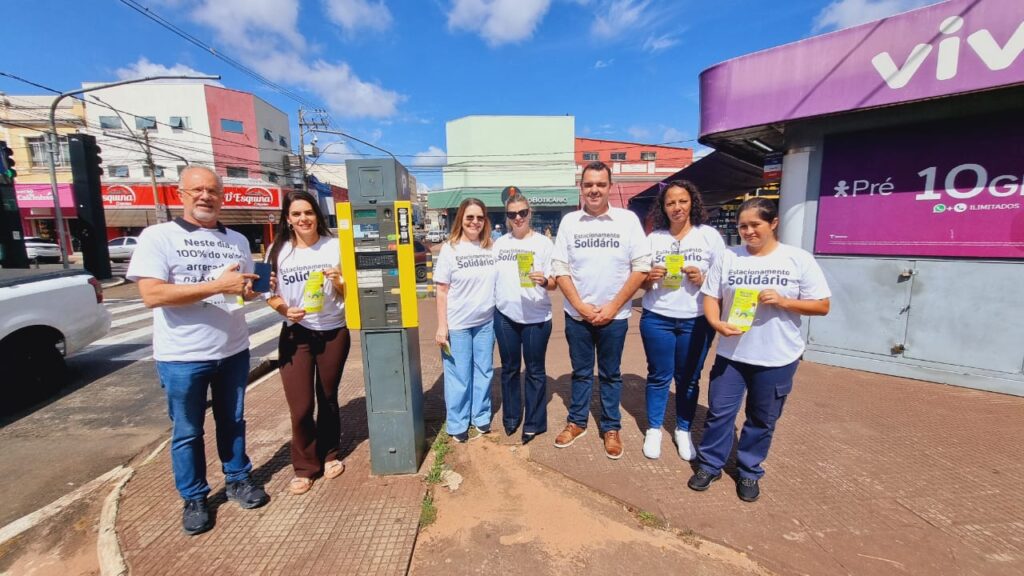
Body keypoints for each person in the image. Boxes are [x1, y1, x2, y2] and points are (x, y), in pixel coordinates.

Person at [127, 166, 268, 536]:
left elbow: (239, 289)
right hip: (181, 355)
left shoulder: (236, 240)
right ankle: (194, 498)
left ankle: (238, 479)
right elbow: (151, 294)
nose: (206, 196)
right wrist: (216, 285)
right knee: (188, 430)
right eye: (198, 190)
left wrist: (246, 290)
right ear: (181, 194)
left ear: (222, 197)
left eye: (213, 191)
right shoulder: (158, 236)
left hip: (233, 349)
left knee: (233, 421)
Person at [688, 197, 831, 502]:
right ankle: (710, 464)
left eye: (756, 225)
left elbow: (822, 305)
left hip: (778, 357)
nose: (749, 231)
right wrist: (716, 323)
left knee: (762, 418)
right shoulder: (729, 257)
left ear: (773, 223)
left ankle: (749, 470)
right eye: (743, 226)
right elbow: (710, 296)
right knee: (719, 414)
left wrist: (784, 301)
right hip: (732, 354)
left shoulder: (798, 259)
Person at [552, 161, 650, 459]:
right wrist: (580, 306)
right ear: (581, 188)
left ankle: (611, 427)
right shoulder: (570, 222)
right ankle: (577, 422)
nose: (594, 190)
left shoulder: (628, 220)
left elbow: (641, 267)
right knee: (581, 373)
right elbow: (560, 267)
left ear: (610, 186)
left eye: (600, 184)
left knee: (610, 374)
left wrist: (613, 306)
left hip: (615, 316)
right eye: (589, 184)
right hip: (577, 316)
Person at [265, 190, 350, 496]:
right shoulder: (278, 251)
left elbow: (349, 293)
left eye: (308, 213)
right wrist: (284, 309)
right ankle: (304, 467)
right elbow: (267, 293)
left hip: (332, 331)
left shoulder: (336, 246)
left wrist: (339, 281)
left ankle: (329, 455)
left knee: (327, 397)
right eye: (297, 214)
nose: (303, 219)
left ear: (318, 215)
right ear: (288, 219)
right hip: (295, 334)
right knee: (300, 406)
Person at [639, 180, 725, 460]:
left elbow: (723, 278)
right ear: (663, 208)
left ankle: (683, 429)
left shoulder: (708, 236)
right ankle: (653, 429)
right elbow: (639, 279)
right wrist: (650, 278)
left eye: (682, 201)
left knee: (688, 379)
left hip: (696, 319)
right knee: (658, 376)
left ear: (693, 203)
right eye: (670, 203)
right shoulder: (655, 238)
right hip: (658, 317)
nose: (677, 207)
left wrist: (704, 279)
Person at [492, 188, 556, 444]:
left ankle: (534, 423)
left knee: (535, 371)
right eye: (512, 214)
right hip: (505, 316)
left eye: (523, 212)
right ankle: (511, 417)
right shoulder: (500, 244)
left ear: (530, 214)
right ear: (507, 216)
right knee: (508, 370)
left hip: (536, 318)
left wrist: (545, 280)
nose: (518, 218)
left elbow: (555, 283)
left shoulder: (543, 243)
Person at [434, 198, 498, 443]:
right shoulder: (450, 248)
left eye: (480, 217)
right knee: (458, 375)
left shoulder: (490, 246)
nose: (475, 222)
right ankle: (457, 422)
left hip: (485, 322)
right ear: (461, 218)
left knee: (484, 371)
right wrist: (442, 326)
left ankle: (480, 416)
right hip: (458, 324)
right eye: (470, 217)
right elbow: (441, 290)